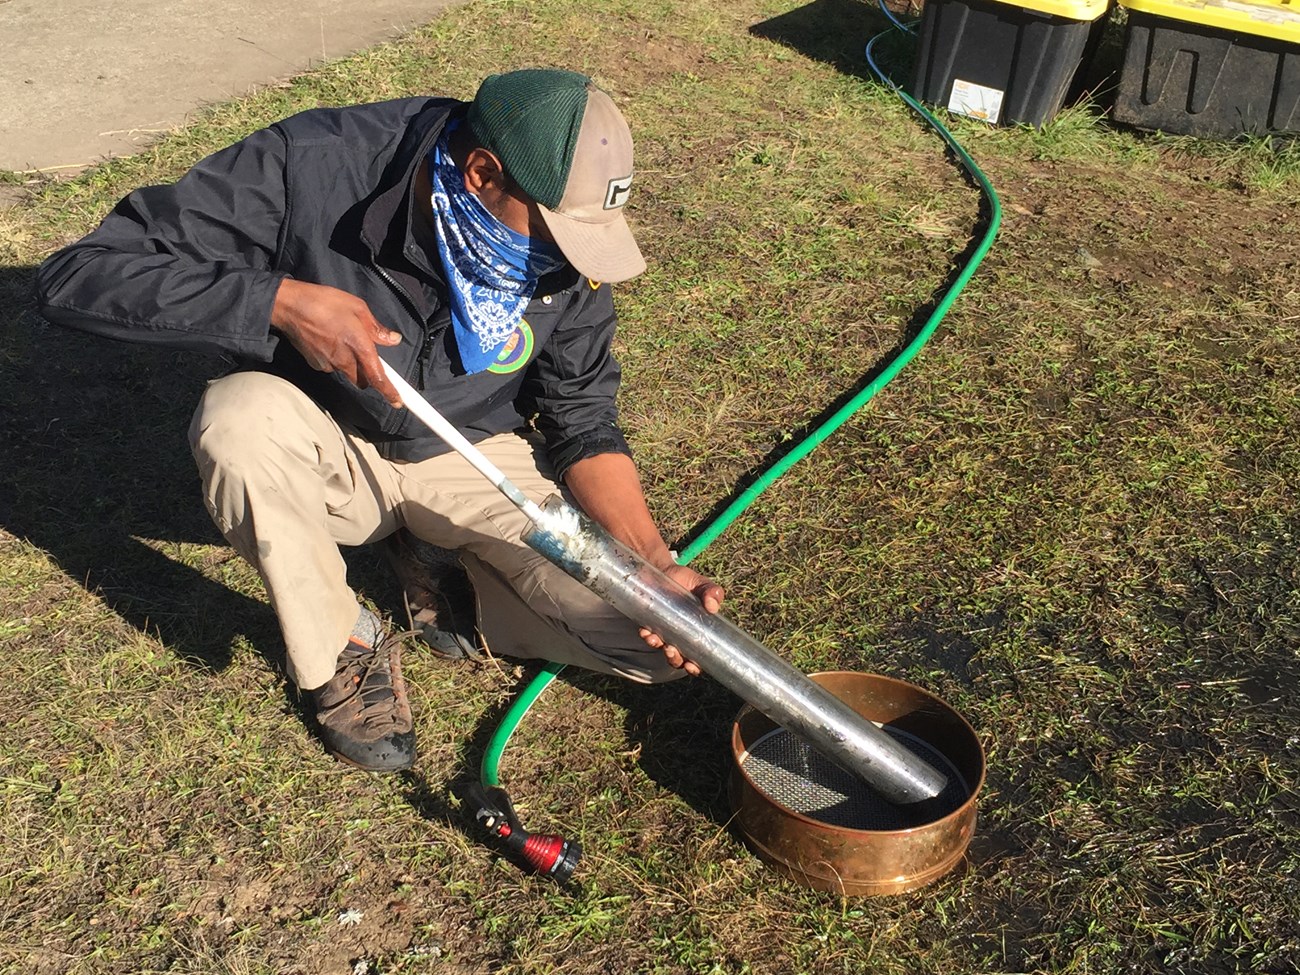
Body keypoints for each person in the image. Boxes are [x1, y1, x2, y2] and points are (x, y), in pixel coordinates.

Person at [35, 68, 724, 773]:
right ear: (483, 171)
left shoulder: (565, 253)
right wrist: (279, 301)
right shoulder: (317, 162)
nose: (564, 257)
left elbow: (582, 415)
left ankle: (451, 581)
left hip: (480, 454)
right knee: (235, 420)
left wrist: (655, 564)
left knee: (658, 639)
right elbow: (81, 273)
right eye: (554, 232)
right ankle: (345, 641)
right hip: (328, 437)